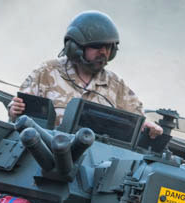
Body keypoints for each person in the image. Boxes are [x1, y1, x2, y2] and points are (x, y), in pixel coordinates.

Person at [9, 11, 164, 139]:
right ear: (75, 48)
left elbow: (138, 120)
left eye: (108, 47)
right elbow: (19, 115)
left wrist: (147, 125)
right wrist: (14, 110)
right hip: (45, 151)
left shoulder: (116, 85)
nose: (103, 52)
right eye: (96, 46)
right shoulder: (47, 72)